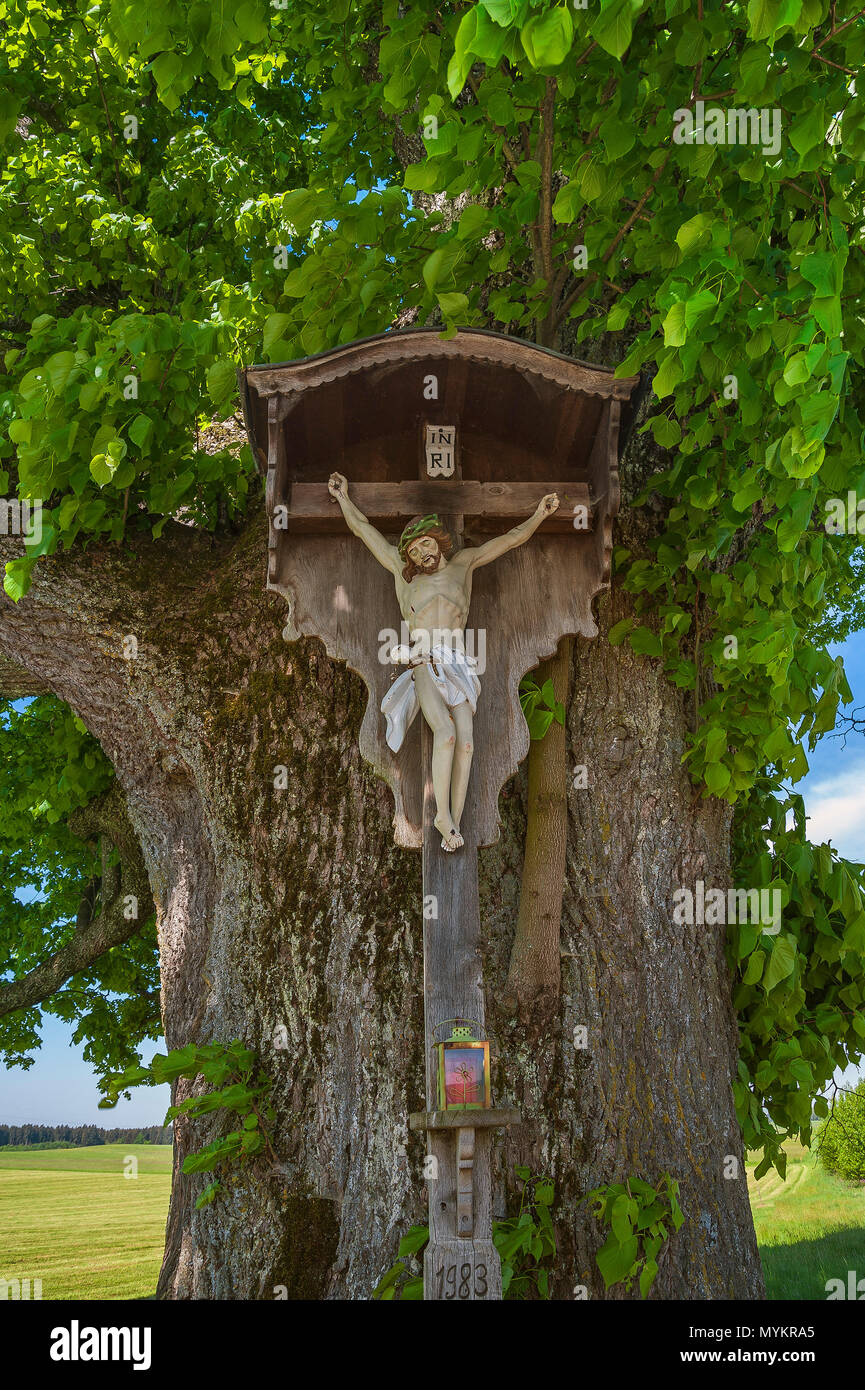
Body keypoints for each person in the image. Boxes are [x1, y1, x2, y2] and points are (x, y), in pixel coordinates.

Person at [327, 472, 559, 850]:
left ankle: (452, 816)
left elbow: (511, 540)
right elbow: (363, 530)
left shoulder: (463, 564)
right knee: (446, 732)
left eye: (424, 546)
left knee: (467, 743)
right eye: (414, 553)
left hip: (458, 662)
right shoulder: (404, 577)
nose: (421, 555)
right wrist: (343, 498)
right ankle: (443, 819)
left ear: (437, 541)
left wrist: (539, 515)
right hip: (422, 657)